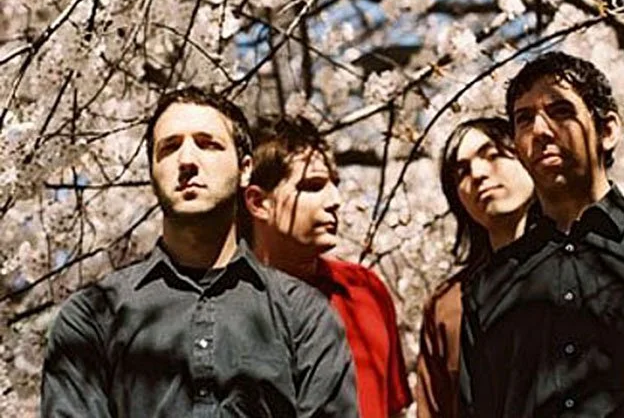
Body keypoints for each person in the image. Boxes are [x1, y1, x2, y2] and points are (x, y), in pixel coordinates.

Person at [41, 86, 358, 417]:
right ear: (152, 172)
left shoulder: (304, 316)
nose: (187, 161)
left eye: (208, 145)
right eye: (169, 147)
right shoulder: (93, 316)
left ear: (245, 169)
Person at [459, 51, 624, 418]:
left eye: (560, 111)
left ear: (607, 130)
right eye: (524, 119)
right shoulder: (489, 286)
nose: (540, 131)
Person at [244, 116, 412, 418]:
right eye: (312, 186)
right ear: (259, 202)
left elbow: (394, 410)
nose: (335, 200)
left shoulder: (365, 289)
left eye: (335, 184)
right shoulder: (226, 305)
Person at [416, 117, 535, 418]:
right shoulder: (448, 304)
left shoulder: (590, 265)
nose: (479, 174)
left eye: (492, 155)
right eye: (462, 172)